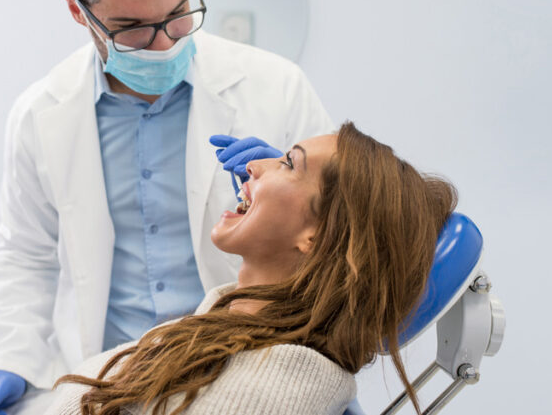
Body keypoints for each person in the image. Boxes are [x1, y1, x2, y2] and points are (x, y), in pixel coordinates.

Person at [0, 0, 334, 415]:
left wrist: (301, 190)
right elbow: (27, 255)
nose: (166, 44)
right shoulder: (38, 118)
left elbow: (341, 240)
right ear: (77, 10)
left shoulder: (277, 88)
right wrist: (8, 356)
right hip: (110, 381)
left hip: (246, 371)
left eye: (179, 13)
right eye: (133, 30)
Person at [44, 122, 458, 415]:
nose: (253, 166)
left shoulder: (268, 387)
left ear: (316, 236)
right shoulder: (220, 329)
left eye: (287, 164)